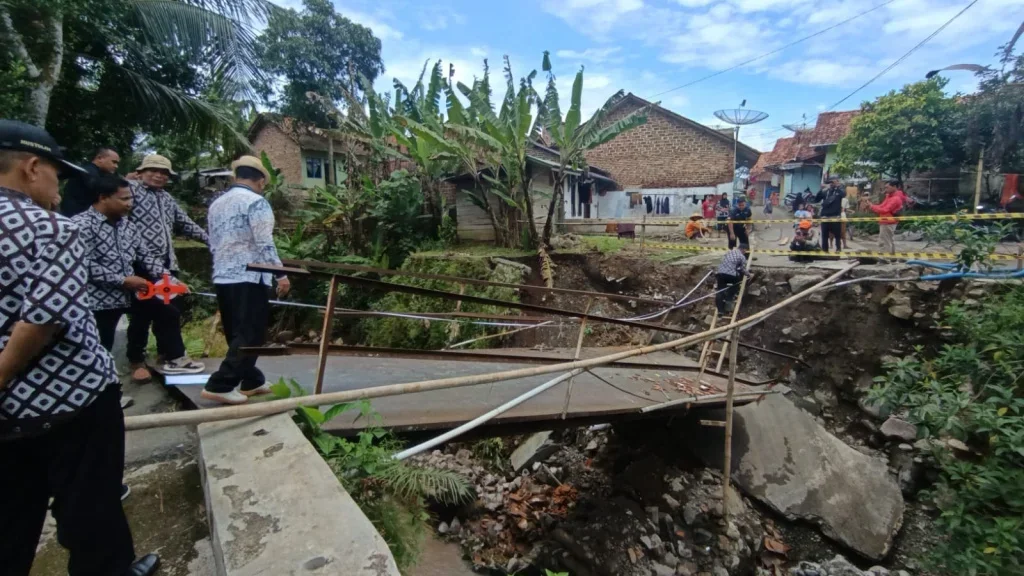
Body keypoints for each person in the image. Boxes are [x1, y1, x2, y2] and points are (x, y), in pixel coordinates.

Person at [0, 120, 159, 576]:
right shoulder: (54, 229)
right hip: (71, 401)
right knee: (90, 510)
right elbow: (43, 318)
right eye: (57, 174)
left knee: (9, 520)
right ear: (33, 167)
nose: (59, 188)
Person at [202, 156, 291, 405]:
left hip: (223, 274)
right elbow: (264, 242)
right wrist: (280, 274)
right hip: (250, 275)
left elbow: (214, 242)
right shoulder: (256, 202)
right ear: (260, 180)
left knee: (236, 332)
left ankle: (252, 380)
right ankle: (221, 384)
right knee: (251, 333)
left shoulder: (217, 204)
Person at [71, 175, 170, 399]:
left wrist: (167, 278)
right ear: (103, 198)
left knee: (162, 314)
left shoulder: (128, 226)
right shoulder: (80, 225)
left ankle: (140, 363)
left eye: (131, 198)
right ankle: (101, 395)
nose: (129, 204)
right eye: (124, 199)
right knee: (100, 347)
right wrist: (121, 280)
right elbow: (82, 263)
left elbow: (146, 255)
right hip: (98, 299)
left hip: (130, 293)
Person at [126, 154, 208, 383]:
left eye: (164, 173)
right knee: (142, 314)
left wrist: (210, 241)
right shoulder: (130, 192)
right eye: (153, 170)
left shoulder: (167, 199)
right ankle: (136, 360)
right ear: (141, 172)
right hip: (139, 264)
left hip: (167, 264)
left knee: (169, 311)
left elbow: (185, 223)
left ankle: (167, 355)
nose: (159, 176)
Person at [60, 147, 120, 217]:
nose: (116, 166)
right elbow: (100, 188)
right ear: (100, 158)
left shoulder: (94, 172)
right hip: (74, 217)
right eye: (114, 162)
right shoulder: (89, 171)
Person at [716, 243, 752, 315]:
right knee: (735, 286)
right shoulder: (741, 256)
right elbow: (742, 269)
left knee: (720, 291)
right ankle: (729, 299)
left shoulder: (728, 252)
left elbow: (722, 262)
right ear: (743, 249)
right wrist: (749, 275)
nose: (745, 252)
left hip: (720, 273)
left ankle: (720, 310)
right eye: (745, 250)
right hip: (731, 275)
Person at [869, 180, 904, 255]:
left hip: (888, 222)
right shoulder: (889, 196)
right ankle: (892, 258)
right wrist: (872, 206)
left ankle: (885, 259)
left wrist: (872, 207)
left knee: (884, 241)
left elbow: (885, 210)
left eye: (887, 187)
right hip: (886, 221)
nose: (886, 189)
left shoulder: (895, 198)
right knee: (889, 240)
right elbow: (882, 206)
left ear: (894, 187)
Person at [813, 177, 845, 253]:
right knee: (824, 235)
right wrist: (821, 189)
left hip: (835, 216)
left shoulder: (839, 192)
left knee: (837, 234)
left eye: (833, 182)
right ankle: (825, 250)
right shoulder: (825, 192)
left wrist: (837, 186)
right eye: (830, 182)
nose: (831, 184)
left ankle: (838, 248)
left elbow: (843, 194)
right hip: (825, 216)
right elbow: (816, 199)